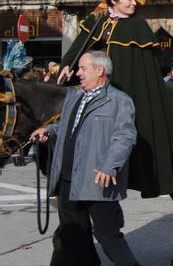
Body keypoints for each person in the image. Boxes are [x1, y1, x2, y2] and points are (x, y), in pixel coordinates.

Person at [57, 0, 173, 198]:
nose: (134, 3)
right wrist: (67, 66)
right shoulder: (97, 21)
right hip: (93, 84)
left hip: (126, 87)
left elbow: (146, 70)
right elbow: (78, 47)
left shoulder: (137, 25)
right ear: (114, 0)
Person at [31, 51, 139, 266]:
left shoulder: (119, 101)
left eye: (83, 68)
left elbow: (125, 137)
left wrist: (110, 166)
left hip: (98, 180)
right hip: (68, 179)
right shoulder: (75, 96)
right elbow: (69, 126)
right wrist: (49, 130)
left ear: (100, 70)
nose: (78, 73)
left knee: (108, 237)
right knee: (74, 237)